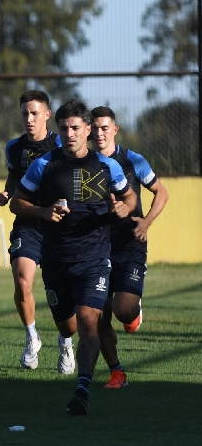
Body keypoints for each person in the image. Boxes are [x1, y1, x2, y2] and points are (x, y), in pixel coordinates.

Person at [10, 98, 136, 415]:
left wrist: (125, 207)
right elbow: (16, 203)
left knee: (89, 321)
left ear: (88, 129)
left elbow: (129, 195)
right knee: (68, 327)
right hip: (55, 259)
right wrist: (41, 210)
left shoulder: (107, 165)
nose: (69, 134)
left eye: (76, 128)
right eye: (64, 128)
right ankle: (70, 347)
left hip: (94, 258)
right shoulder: (44, 165)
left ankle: (81, 389)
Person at [91, 106, 169, 389]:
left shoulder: (132, 160)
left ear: (114, 130)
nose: (99, 133)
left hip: (129, 245)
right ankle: (117, 373)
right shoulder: (85, 164)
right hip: (96, 247)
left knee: (123, 310)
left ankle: (133, 310)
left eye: (104, 128)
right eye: (95, 128)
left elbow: (161, 191)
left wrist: (145, 222)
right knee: (97, 314)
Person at [0, 90, 71, 372]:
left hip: (58, 227)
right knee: (22, 279)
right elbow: (14, 179)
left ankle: (66, 343)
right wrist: (8, 193)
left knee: (62, 292)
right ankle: (32, 338)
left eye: (34, 113)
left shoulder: (61, 144)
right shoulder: (14, 148)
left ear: (47, 115)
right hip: (27, 223)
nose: (29, 119)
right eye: (25, 113)